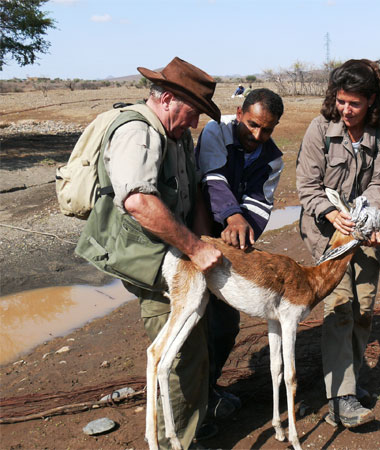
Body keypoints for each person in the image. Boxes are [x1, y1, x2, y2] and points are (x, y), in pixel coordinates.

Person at [75, 57, 223, 450]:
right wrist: (194, 247)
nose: (195, 123)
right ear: (170, 99)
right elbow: (138, 202)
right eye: (193, 113)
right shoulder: (138, 132)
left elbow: (192, 192)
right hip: (142, 254)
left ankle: (195, 422)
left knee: (199, 333)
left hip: (170, 249)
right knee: (180, 351)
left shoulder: (176, 134)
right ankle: (175, 442)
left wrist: (205, 243)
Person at [296, 59, 380, 428]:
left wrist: (368, 219)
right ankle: (340, 398)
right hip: (327, 232)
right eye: (341, 101)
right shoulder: (319, 130)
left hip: (367, 231)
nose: (346, 110)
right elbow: (307, 187)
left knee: (364, 307)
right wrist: (330, 213)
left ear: (372, 101)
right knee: (339, 305)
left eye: (354, 103)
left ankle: (351, 381)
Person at [194, 88, 284, 438]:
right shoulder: (217, 131)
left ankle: (207, 389)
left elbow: (261, 205)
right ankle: (191, 403)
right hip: (195, 235)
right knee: (193, 319)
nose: (257, 136)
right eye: (252, 125)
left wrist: (242, 231)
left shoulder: (272, 157)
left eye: (267, 129)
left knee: (225, 324)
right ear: (238, 113)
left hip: (231, 247)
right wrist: (232, 217)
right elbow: (212, 178)